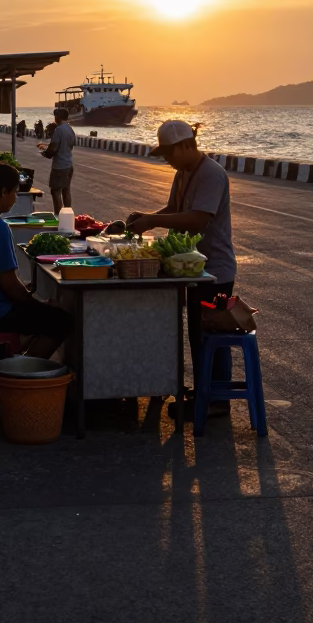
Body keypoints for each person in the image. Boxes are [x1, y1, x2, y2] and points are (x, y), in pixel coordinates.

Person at [127, 120, 237, 419]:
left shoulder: (211, 174)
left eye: (169, 154)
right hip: (193, 266)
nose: (167, 160)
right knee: (197, 334)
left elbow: (198, 219)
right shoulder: (184, 173)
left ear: (187, 146)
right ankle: (205, 390)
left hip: (215, 270)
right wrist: (146, 216)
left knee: (210, 333)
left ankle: (215, 401)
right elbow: (174, 210)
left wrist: (153, 221)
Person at [0, 164, 72, 356]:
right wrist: (36, 304)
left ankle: (8, 360)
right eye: (15, 193)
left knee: (41, 315)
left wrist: (28, 295)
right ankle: (23, 376)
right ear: (3, 192)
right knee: (61, 322)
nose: (16, 199)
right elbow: (10, 285)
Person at [39, 108, 76, 215]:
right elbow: (70, 145)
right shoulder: (70, 129)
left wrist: (45, 153)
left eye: (55, 116)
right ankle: (68, 215)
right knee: (66, 190)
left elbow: (54, 148)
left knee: (55, 191)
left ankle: (59, 217)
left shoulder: (58, 130)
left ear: (58, 116)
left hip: (60, 166)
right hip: (69, 164)